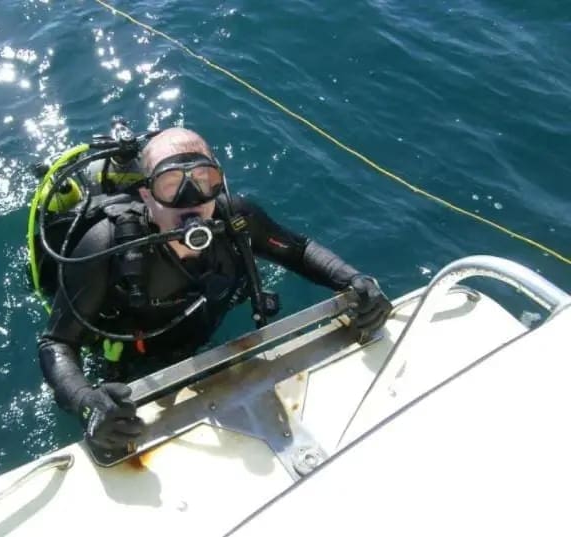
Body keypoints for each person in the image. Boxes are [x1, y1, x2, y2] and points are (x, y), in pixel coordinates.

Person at [37, 127, 392, 451]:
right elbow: (57, 342)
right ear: (146, 194)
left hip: (204, 334)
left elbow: (299, 251)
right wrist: (86, 401)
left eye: (203, 180)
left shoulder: (236, 219)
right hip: (132, 355)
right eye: (171, 184)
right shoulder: (106, 245)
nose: (191, 199)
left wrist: (354, 281)